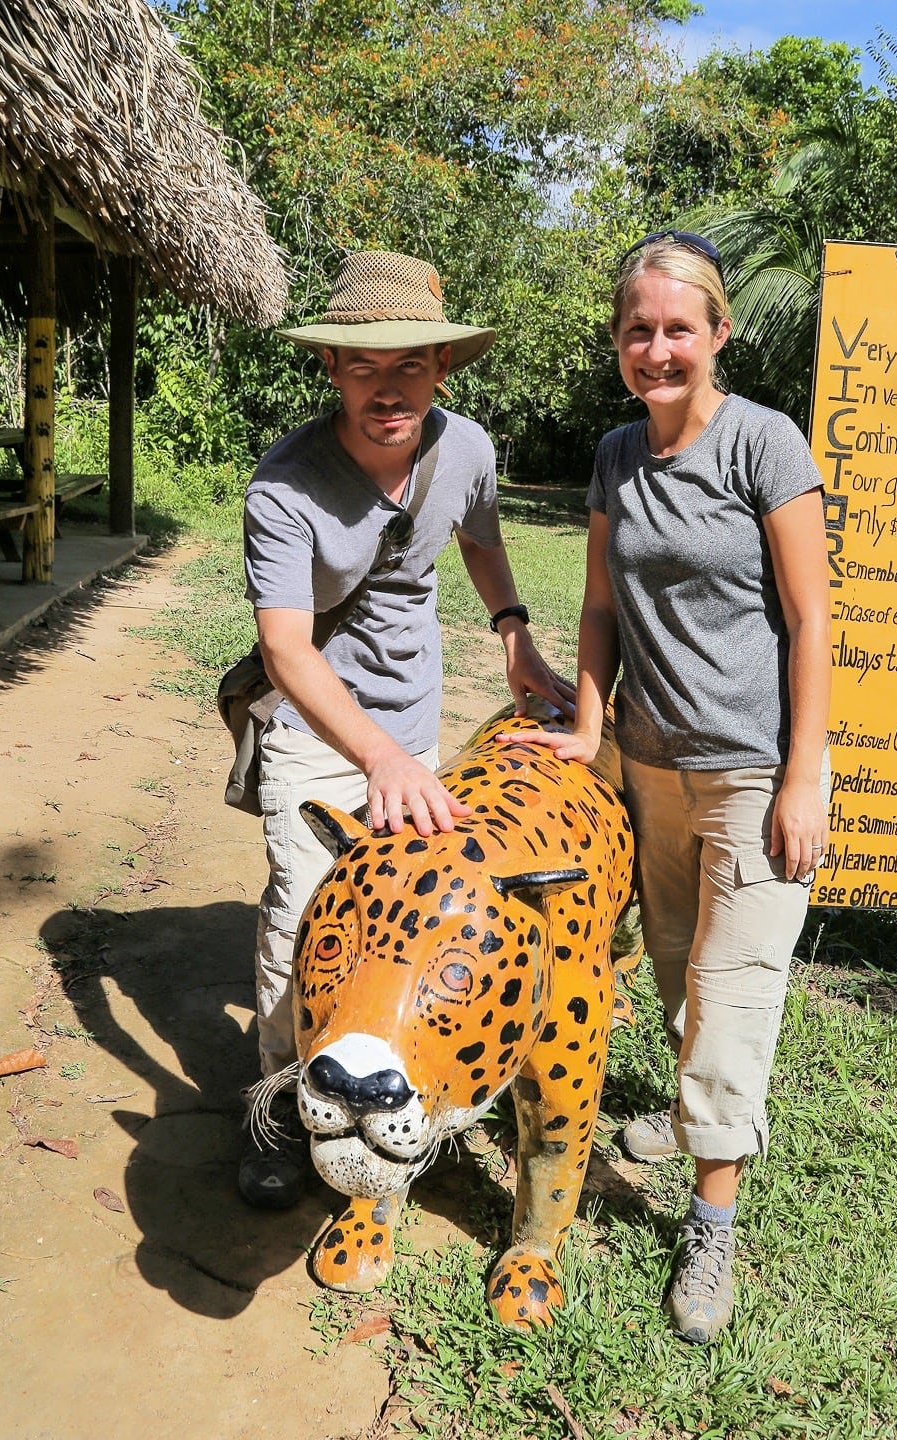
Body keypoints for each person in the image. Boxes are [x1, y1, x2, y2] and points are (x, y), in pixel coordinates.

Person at [513, 232, 831, 1343]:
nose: (657, 348)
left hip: (753, 774)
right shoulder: (613, 456)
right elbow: (600, 609)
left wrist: (803, 774)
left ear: (719, 332)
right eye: (637, 330)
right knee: (677, 969)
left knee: (733, 998)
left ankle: (711, 1221)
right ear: (617, 341)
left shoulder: (763, 445)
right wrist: (592, 729)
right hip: (649, 766)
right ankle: (702, 1115)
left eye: (677, 328)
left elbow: (809, 618)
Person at [240, 249, 574, 1209]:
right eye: (364, 367)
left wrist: (512, 634)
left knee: (410, 922)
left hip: (415, 726)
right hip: (320, 726)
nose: (388, 389)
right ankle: (272, 1106)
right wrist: (376, 754)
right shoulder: (285, 486)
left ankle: (399, 1084)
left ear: (441, 364)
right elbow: (287, 654)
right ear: (332, 369)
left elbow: (481, 540)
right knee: (305, 917)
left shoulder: (465, 450)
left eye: (409, 366)